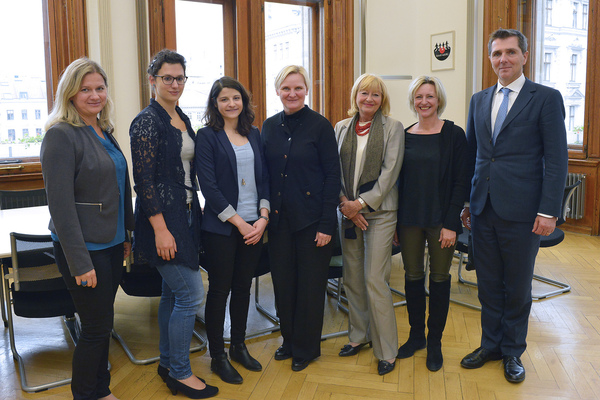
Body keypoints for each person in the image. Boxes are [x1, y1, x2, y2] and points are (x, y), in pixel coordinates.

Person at [460, 29, 568, 383]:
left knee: (518, 287)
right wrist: (465, 201)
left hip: (524, 212)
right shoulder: (478, 100)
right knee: (488, 284)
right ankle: (489, 345)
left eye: (509, 52)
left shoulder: (545, 98)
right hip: (482, 209)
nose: (502, 59)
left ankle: (511, 352)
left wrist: (549, 210)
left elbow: (555, 159)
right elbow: (474, 156)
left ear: (524, 56)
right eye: (496, 54)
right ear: (490, 58)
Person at [40, 57, 134, 400]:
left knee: (102, 325)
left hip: (110, 242)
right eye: (85, 89)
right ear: (70, 93)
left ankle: (101, 390)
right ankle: (86, 394)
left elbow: (121, 187)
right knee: (95, 329)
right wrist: (80, 263)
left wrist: (126, 235)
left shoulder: (103, 129)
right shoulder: (61, 136)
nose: (94, 95)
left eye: (99, 88)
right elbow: (61, 208)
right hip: (84, 250)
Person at [130, 49, 218, 398]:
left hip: (185, 214)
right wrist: (161, 229)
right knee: (191, 293)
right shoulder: (147, 121)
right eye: (167, 77)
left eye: (180, 77)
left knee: (171, 293)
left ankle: (167, 363)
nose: (175, 83)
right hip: (163, 220)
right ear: (152, 80)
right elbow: (144, 181)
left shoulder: (180, 116)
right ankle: (181, 373)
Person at [261, 65, 341, 372]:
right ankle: (289, 341)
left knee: (310, 288)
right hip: (280, 224)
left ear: (306, 90)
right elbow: (266, 174)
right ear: (277, 91)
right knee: (283, 286)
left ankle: (307, 348)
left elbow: (332, 176)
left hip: (312, 224)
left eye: (297, 88)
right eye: (286, 88)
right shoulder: (268, 127)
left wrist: (325, 225)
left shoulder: (320, 126)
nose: (292, 93)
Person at [196, 77, 269, 384]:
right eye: (224, 99)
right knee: (220, 290)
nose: (231, 104)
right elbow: (209, 187)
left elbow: (265, 177)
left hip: (255, 224)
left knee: (243, 288)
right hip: (222, 229)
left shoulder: (254, 133)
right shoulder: (207, 136)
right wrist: (240, 222)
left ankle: (238, 345)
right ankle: (218, 356)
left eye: (236, 98)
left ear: (244, 101)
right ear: (216, 103)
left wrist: (263, 216)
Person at [395, 76, 469, 372]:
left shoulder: (454, 134)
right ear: (413, 101)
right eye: (418, 97)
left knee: (439, 279)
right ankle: (416, 336)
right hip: (410, 219)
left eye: (430, 96)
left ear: (439, 100)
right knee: (412, 277)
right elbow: (396, 182)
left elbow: (461, 182)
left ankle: (434, 341)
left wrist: (451, 223)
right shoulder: (403, 134)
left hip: (441, 221)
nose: (424, 101)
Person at [335, 73, 404, 376]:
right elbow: (332, 170)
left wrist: (360, 204)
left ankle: (387, 350)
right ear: (356, 96)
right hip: (347, 213)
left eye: (376, 95)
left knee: (375, 279)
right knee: (352, 277)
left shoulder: (393, 128)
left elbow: (390, 174)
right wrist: (346, 206)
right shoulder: (341, 127)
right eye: (364, 93)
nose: (369, 99)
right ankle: (358, 336)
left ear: (382, 99)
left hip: (380, 214)